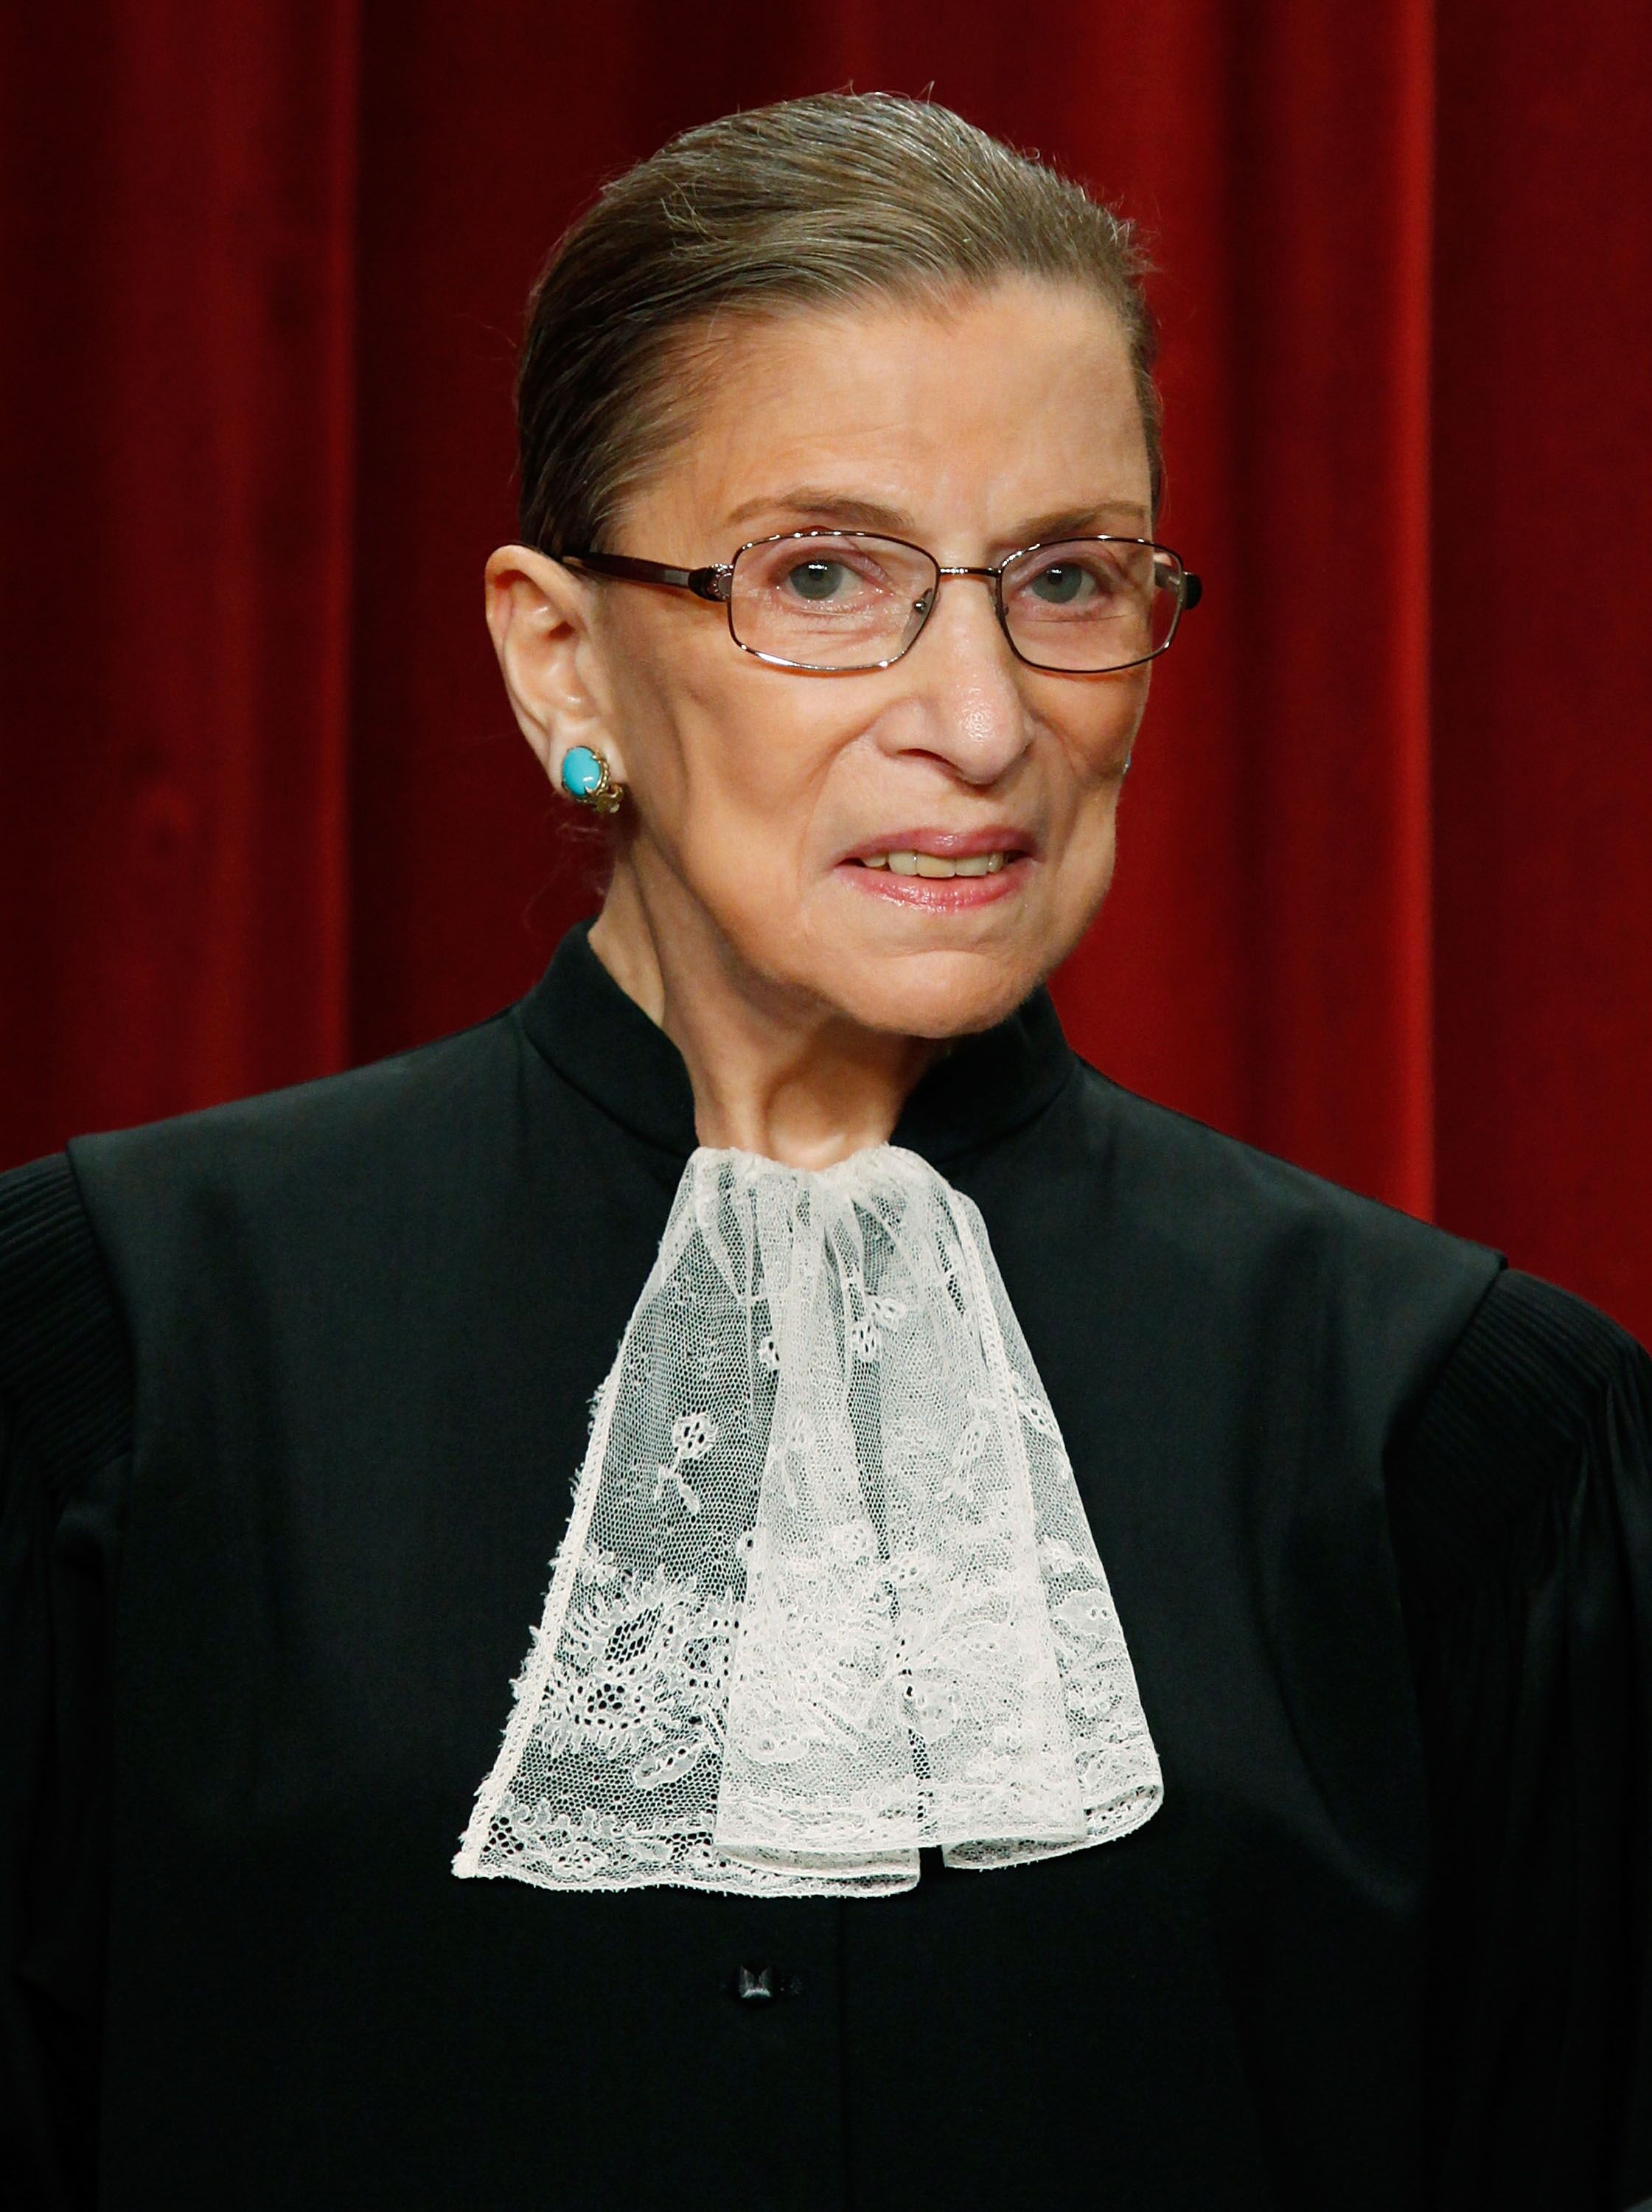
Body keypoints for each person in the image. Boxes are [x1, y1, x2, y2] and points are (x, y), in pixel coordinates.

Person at [2, 90, 1648, 2212]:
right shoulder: (106, 1361)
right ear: (557, 653)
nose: (977, 719)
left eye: (1063, 578)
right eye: (822, 575)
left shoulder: (1461, 1437)